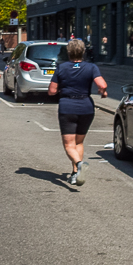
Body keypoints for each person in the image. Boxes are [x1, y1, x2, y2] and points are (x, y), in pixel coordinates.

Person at [47, 38, 108, 186]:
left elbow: (52, 91)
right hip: (86, 107)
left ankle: (79, 164)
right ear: (83, 52)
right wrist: (103, 92)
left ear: (68, 52)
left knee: (69, 145)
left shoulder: (61, 68)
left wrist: (61, 88)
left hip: (68, 107)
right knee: (79, 142)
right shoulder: (91, 67)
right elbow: (102, 84)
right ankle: (75, 173)